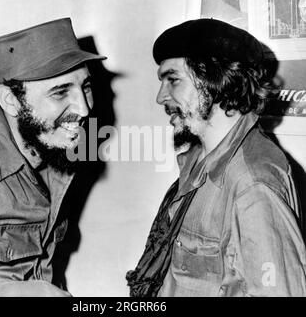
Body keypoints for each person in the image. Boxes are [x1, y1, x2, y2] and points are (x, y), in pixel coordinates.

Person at [126, 18, 306, 297]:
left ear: (214, 79)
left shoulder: (253, 183)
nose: (161, 97)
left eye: (173, 80)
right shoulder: (199, 160)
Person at [0, 18, 106, 296]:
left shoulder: (58, 155)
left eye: (85, 87)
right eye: (61, 92)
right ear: (11, 100)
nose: (84, 109)